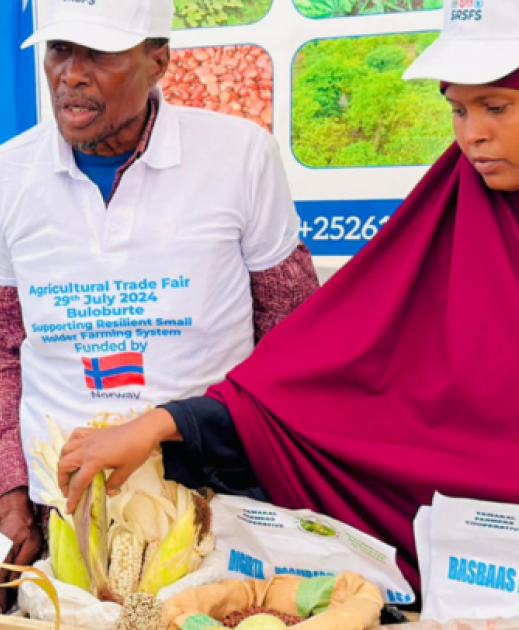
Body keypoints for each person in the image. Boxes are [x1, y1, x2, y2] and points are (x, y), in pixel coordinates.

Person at [56, 0, 519, 596]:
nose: (472, 133)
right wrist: (163, 423)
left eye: (497, 107)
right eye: (457, 109)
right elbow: (312, 378)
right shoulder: (443, 217)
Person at [0, 0, 319, 608]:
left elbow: (293, 332)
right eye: (59, 51)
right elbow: (0, 347)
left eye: (99, 54)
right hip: (68, 507)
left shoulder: (239, 156)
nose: (70, 74)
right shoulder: (5, 175)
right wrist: (10, 494)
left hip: (213, 497)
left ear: (158, 60)